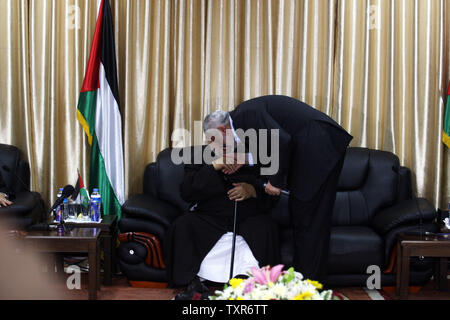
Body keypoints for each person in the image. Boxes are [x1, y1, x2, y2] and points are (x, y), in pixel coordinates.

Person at [203, 95, 353, 282]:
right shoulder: (243, 120)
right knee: (304, 218)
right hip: (316, 146)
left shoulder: (246, 115)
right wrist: (245, 159)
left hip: (319, 144)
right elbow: (270, 145)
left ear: (220, 130)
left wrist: (275, 181)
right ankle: (306, 281)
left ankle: (309, 284)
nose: (220, 148)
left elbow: (282, 140)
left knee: (309, 220)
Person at [164, 143, 280, 300]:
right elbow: (187, 192)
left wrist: (252, 190)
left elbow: (272, 191)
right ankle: (194, 282)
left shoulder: (254, 154)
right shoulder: (199, 155)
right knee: (183, 225)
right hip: (209, 217)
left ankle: (246, 280)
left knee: (265, 228)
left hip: (247, 217)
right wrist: (213, 166)